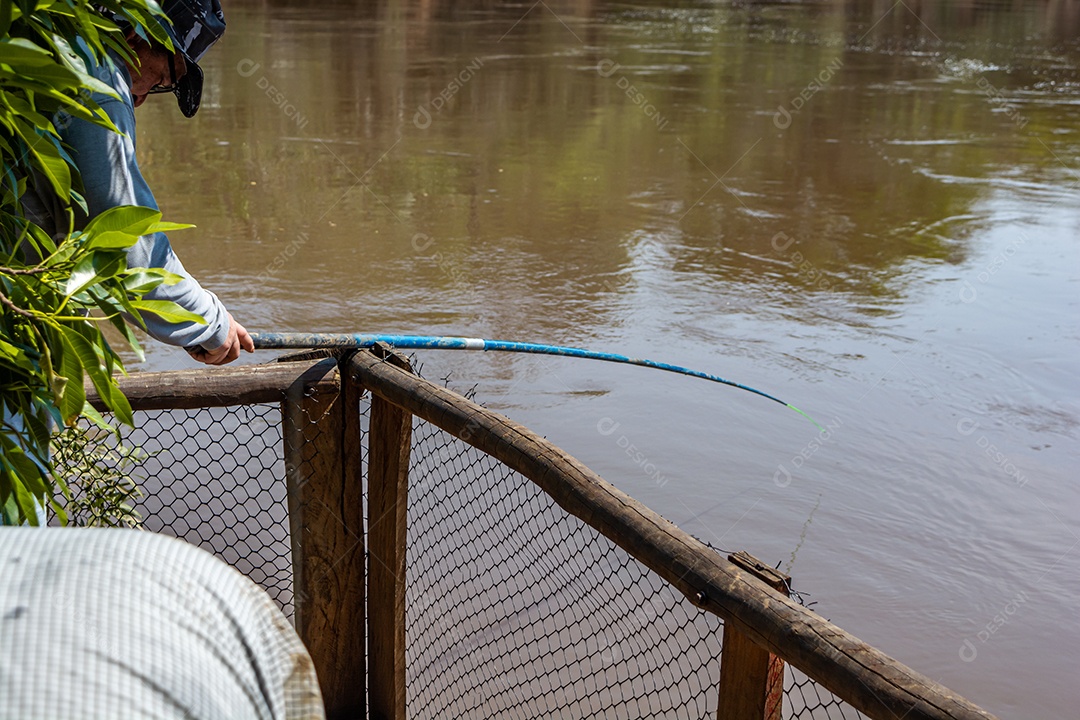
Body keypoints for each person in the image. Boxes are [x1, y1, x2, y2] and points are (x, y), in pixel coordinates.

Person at [22, 0, 253, 365]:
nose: (141, 98)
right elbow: (123, 240)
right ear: (135, 34)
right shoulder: (94, 79)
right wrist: (208, 322)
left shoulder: (40, 37)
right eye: (160, 78)